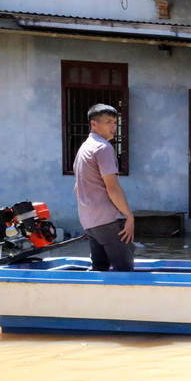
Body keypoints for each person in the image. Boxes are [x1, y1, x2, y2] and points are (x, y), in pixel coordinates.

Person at [73, 103, 135, 272]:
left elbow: (77, 188)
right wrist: (129, 216)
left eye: (115, 122)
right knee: (124, 269)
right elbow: (112, 188)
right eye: (108, 122)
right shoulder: (103, 148)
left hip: (90, 221)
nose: (113, 126)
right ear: (94, 124)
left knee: (99, 268)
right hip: (108, 220)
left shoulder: (84, 148)